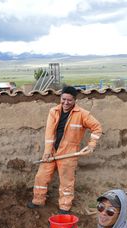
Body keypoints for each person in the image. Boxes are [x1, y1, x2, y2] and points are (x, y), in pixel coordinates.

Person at [27, 86, 103, 214]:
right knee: (41, 177)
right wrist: (47, 151)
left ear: (74, 100)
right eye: (63, 99)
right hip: (51, 152)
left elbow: (97, 127)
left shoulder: (82, 114)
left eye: (69, 100)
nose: (66, 103)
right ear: (60, 98)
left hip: (68, 154)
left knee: (66, 182)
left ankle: (64, 207)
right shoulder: (54, 111)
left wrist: (91, 144)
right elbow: (49, 133)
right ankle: (38, 201)